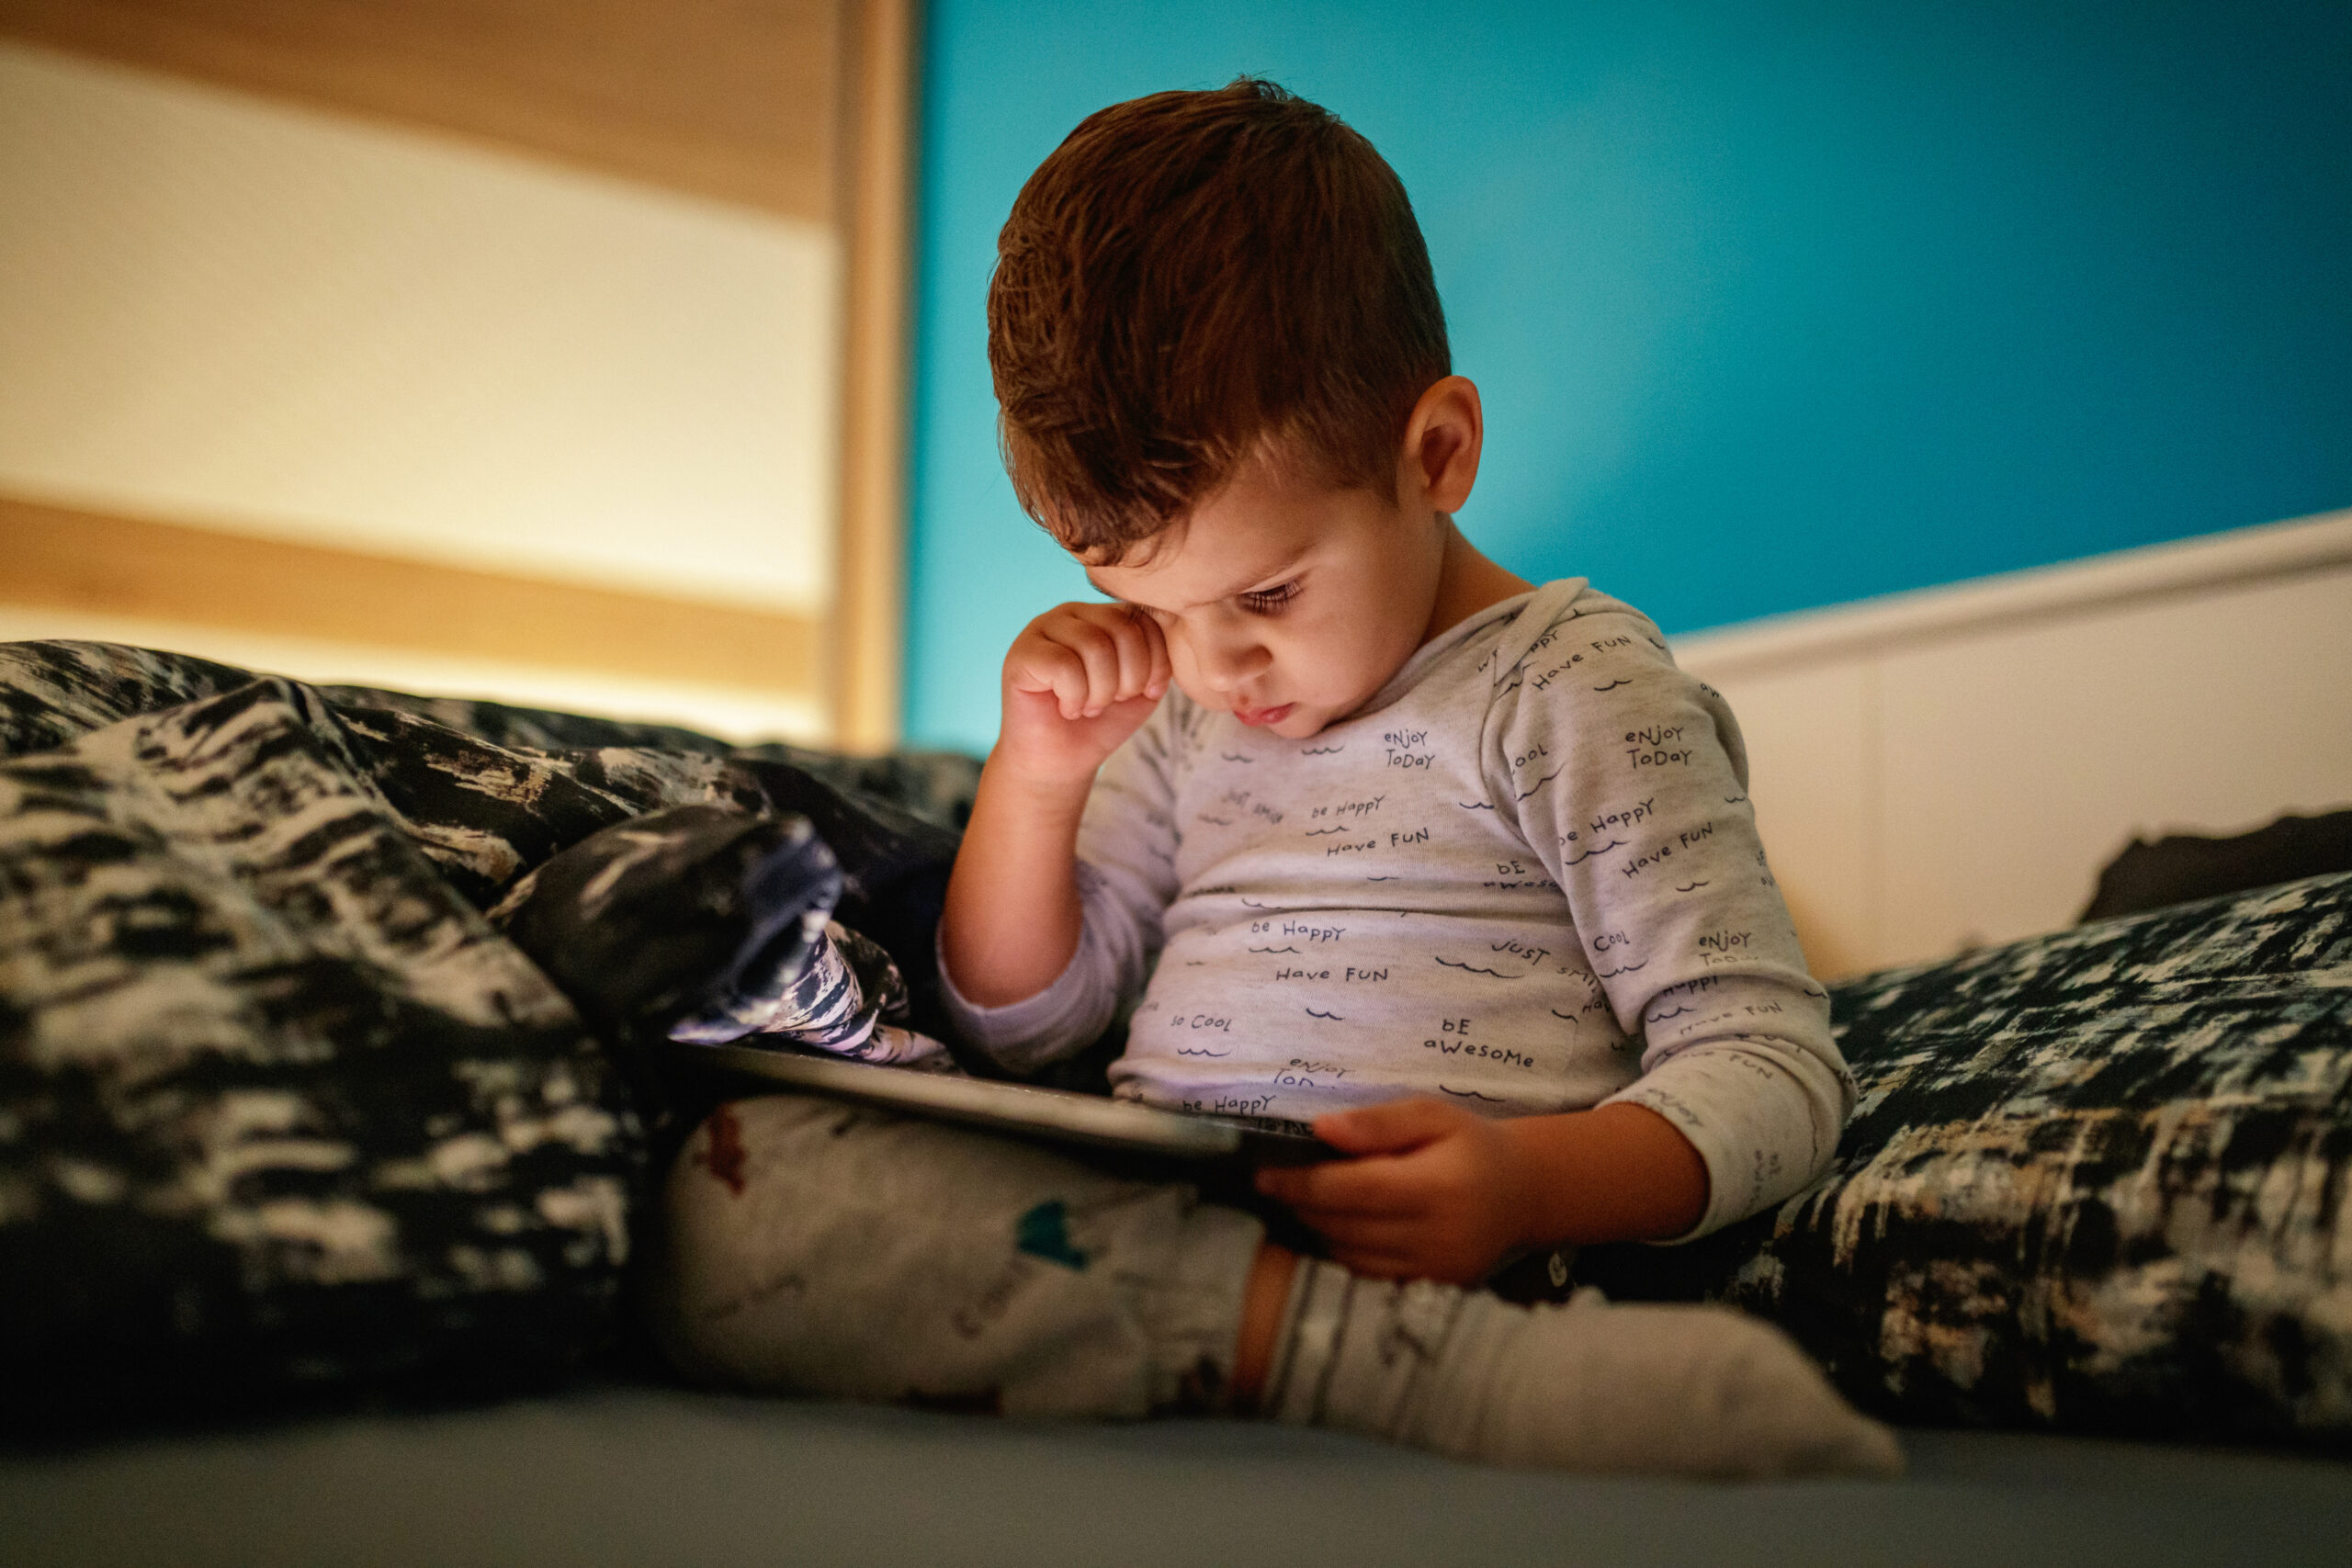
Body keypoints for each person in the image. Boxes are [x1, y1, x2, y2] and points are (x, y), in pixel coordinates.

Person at [649, 79, 1899, 1478]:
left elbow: (1773, 1069)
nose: (1211, 670)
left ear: (1435, 455)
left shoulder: (1575, 689)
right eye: (1162, 612)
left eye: (1267, 593)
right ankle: (1319, 1361)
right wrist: (1039, 777)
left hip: (1450, 1255)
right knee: (716, 1190)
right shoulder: (1184, 724)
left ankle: (1398, 1363)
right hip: (1155, 1219)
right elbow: (1024, 1026)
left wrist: (1523, 1186)